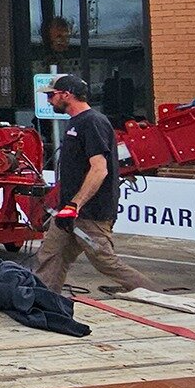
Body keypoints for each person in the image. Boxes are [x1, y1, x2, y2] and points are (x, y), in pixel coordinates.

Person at [32, 73, 152, 296]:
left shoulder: (92, 122)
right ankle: (44, 300)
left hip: (90, 213)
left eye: (51, 95)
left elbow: (99, 168)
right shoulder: (75, 122)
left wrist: (75, 205)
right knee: (50, 256)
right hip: (68, 212)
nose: (49, 100)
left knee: (105, 261)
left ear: (66, 94)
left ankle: (157, 294)